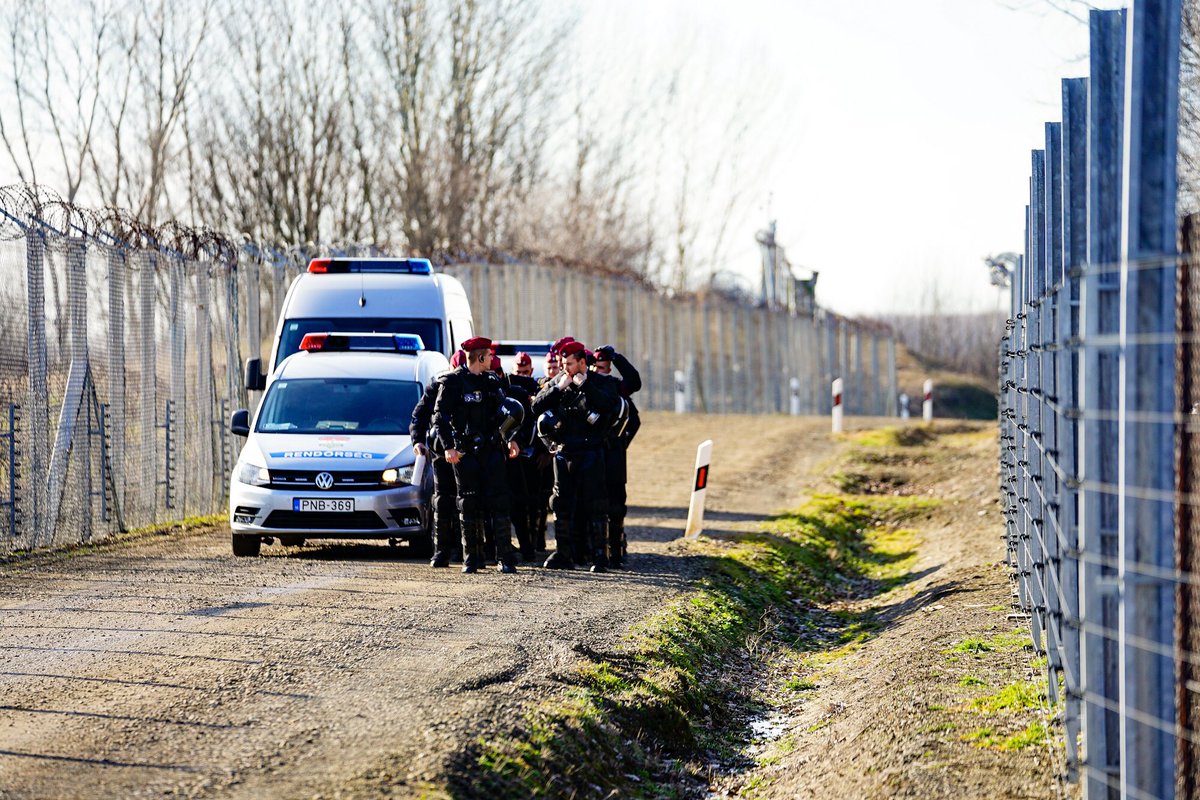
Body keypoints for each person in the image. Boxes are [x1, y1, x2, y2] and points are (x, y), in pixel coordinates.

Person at [433, 337, 522, 574]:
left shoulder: (491, 381)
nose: (492, 359)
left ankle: (505, 558)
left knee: (500, 502)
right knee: (469, 504)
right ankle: (472, 559)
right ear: (480, 357)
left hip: (491, 450)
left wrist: (511, 438)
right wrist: (448, 447)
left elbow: (504, 414)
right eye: (489, 356)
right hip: (465, 453)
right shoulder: (452, 383)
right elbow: (439, 417)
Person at [532, 340, 619, 572]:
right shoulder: (560, 382)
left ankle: (600, 555)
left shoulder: (601, 382)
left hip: (591, 451)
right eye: (562, 363)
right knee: (560, 503)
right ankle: (563, 553)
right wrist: (557, 388)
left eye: (569, 363)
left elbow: (608, 404)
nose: (565, 368)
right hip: (564, 452)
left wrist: (586, 386)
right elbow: (535, 407)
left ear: (582, 362)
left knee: (596, 503)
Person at [410, 350, 463, 567]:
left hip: (466, 452)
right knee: (442, 501)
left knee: (467, 501)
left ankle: (466, 550)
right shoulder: (438, 387)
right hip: (442, 453)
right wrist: (417, 441)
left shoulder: (475, 385)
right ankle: (441, 552)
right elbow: (419, 415)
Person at [593, 344, 642, 567]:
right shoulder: (587, 386)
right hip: (592, 453)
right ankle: (598, 552)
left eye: (603, 367)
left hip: (613, 453)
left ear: (609, 369)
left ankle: (615, 548)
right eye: (596, 367)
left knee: (616, 504)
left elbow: (634, 382)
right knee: (595, 504)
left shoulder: (615, 388)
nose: (599, 371)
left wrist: (617, 357)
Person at [506, 355, 542, 560]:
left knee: (531, 503)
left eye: (525, 373)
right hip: (510, 456)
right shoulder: (507, 389)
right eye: (518, 373)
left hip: (531, 455)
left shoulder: (533, 391)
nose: (521, 376)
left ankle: (532, 545)